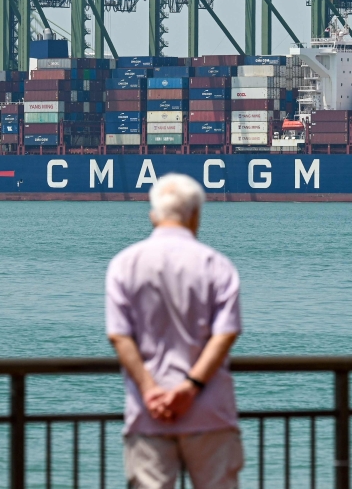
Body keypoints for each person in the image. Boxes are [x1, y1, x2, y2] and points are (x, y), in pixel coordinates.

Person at [106, 174, 243, 489]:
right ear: (196, 214)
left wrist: (151, 391)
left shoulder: (123, 264)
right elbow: (225, 335)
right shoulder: (217, 265)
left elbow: (119, 336)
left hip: (147, 413)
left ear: (153, 215)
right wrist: (189, 389)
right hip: (210, 414)